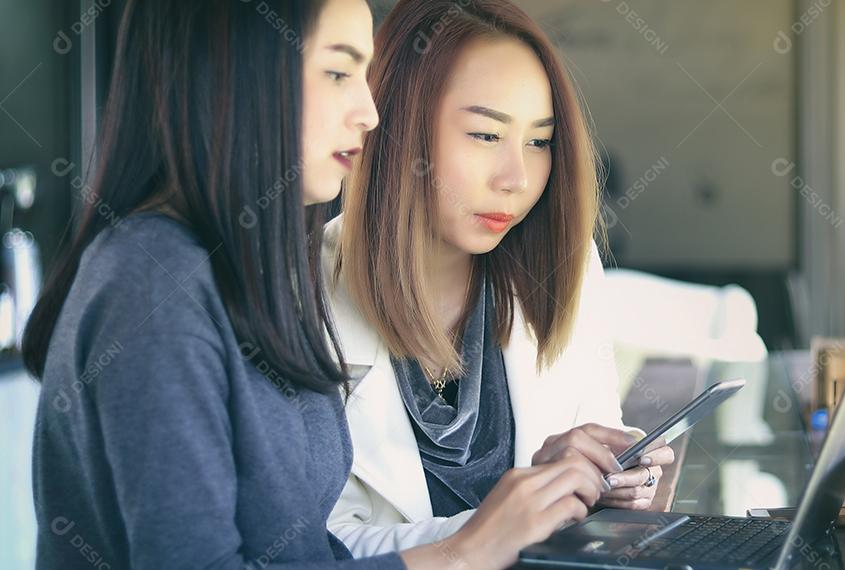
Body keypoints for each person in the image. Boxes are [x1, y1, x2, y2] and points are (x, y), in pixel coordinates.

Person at [25, 1, 604, 568]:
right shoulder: (155, 282)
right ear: (240, 70)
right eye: (338, 71)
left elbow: (308, 555)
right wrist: (470, 548)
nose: (371, 113)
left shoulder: (250, 274)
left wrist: (556, 499)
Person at [325, 0, 674, 557]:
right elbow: (311, 548)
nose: (517, 179)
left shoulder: (565, 263)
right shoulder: (303, 293)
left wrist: (624, 487)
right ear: (394, 125)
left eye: (538, 141)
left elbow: (596, 466)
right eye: (486, 135)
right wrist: (496, 529)